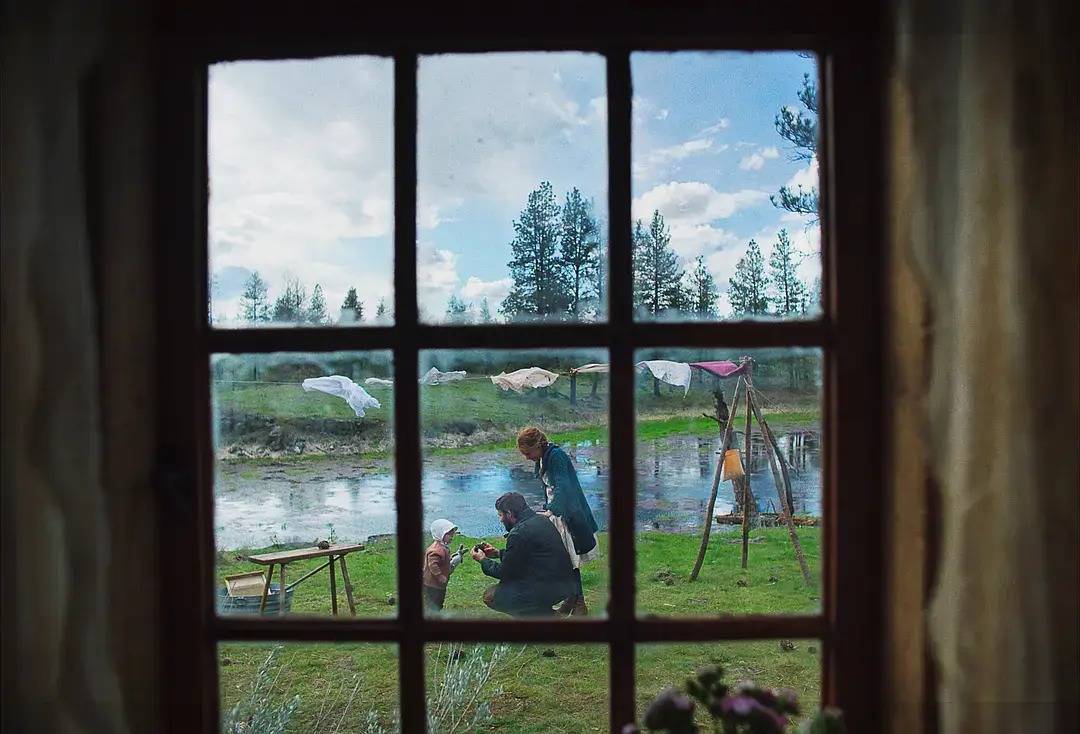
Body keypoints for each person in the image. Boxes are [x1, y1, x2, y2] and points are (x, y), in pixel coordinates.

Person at [516, 427, 599, 616]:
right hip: (557, 512)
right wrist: (549, 508)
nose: (527, 458)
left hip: (568, 513)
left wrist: (552, 510)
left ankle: (579, 602)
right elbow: (550, 489)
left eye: (528, 453)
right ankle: (571, 598)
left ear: (538, 446)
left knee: (569, 557)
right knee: (563, 557)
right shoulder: (543, 458)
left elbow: (564, 486)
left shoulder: (556, 456)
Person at [472, 492, 575, 617]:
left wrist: (483, 560)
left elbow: (504, 573)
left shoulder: (519, 533)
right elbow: (530, 556)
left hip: (547, 588)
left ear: (509, 513)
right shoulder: (541, 520)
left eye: (500, 515)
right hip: (564, 585)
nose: (500, 520)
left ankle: (548, 617)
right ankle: (547, 615)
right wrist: (498, 553)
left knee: (491, 596)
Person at [423, 518, 465, 611]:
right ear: (440, 534)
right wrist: (439, 576)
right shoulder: (435, 550)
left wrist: (452, 557)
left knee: (438, 601)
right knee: (433, 602)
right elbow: (432, 565)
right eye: (449, 534)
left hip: (439, 584)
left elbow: (443, 560)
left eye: (452, 534)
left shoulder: (442, 547)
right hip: (432, 584)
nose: (451, 536)